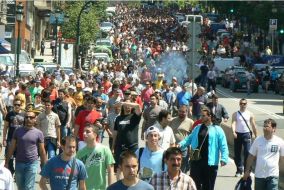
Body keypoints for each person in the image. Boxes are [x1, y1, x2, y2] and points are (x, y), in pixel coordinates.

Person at [179, 109, 229, 190]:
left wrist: (224, 158)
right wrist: (180, 145)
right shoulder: (197, 128)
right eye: (201, 115)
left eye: (203, 115)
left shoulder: (217, 129)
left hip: (210, 163)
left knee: (208, 186)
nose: (201, 117)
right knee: (194, 185)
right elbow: (189, 139)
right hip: (196, 161)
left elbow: (223, 145)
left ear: (210, 116)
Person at [5, 110, 47, 190]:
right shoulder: (18, 131)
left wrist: (44, 166)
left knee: (28, 187)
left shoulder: (39, 133)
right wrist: (7, 162)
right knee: (20, 187)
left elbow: (42, 151)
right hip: (19, 163)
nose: (28, 119)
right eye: (26, 117)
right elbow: (12, 147)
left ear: (35, 119)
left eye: (31, 117)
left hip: (32, 163)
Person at [243, 119, 284, 190]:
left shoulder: (280, 142)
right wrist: (247, 171)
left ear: (273, 129)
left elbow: (282, 159)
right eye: (264, 126)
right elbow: (251, 156)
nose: (264, 128)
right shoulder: (258, 140)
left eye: (267, 126)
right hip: (259, 175)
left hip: (273, 175)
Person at [76, 123, 115, 189]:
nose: (84, 134)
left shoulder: (105, 150)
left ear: (95, 135)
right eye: (83, 132)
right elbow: (77, 174)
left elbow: (110, 171)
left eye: (88, 132)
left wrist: (111, 188)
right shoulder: (80, 153)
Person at [113, 101, 142, 173]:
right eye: (125, 106)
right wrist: (113, 146)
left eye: (129, 106)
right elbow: (115, 133)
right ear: (122, 108)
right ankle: (119, 183)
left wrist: (124, 103)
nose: (127, 107)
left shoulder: (135, 117)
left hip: (133, 147)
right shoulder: (118, 118)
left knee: (133, 167)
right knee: (119, 168)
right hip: (120, 147)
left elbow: (138, 106)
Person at [231, 98, 257, 177]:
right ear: (239, 104)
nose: (243, 105)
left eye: (244, 103)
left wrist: (256, 136)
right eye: (241, 103)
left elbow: (253, 125)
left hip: (246, 134)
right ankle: (239, 170)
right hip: (238, 134)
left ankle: (247, 170)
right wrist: (233, 132)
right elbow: (233, 123)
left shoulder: (250, 114)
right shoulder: (235, 114)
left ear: (246, 104)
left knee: (247, 153)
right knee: (237, 153)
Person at [3, 98, 25, 175]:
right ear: (13, 105)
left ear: (21, 105)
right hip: (10, 139)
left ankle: (18, 173)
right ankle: (11, 171)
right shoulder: (9, 114)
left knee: (19, 158)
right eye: (15, 104)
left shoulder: (24, 114)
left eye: (18, 105)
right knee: (9, 157)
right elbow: (5, 127)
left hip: (21, 140)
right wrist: (4, 139)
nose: (16, 106)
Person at [170, 105, 194, 172]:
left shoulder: (190, 122)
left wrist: (191, 150)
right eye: (180, 111)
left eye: (183, 112)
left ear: (187, 112)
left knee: (182, 168)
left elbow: (192, 136)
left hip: (184, 149)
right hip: (173, 148)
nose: (181, 113)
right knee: (172, 167)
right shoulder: (172, 120)